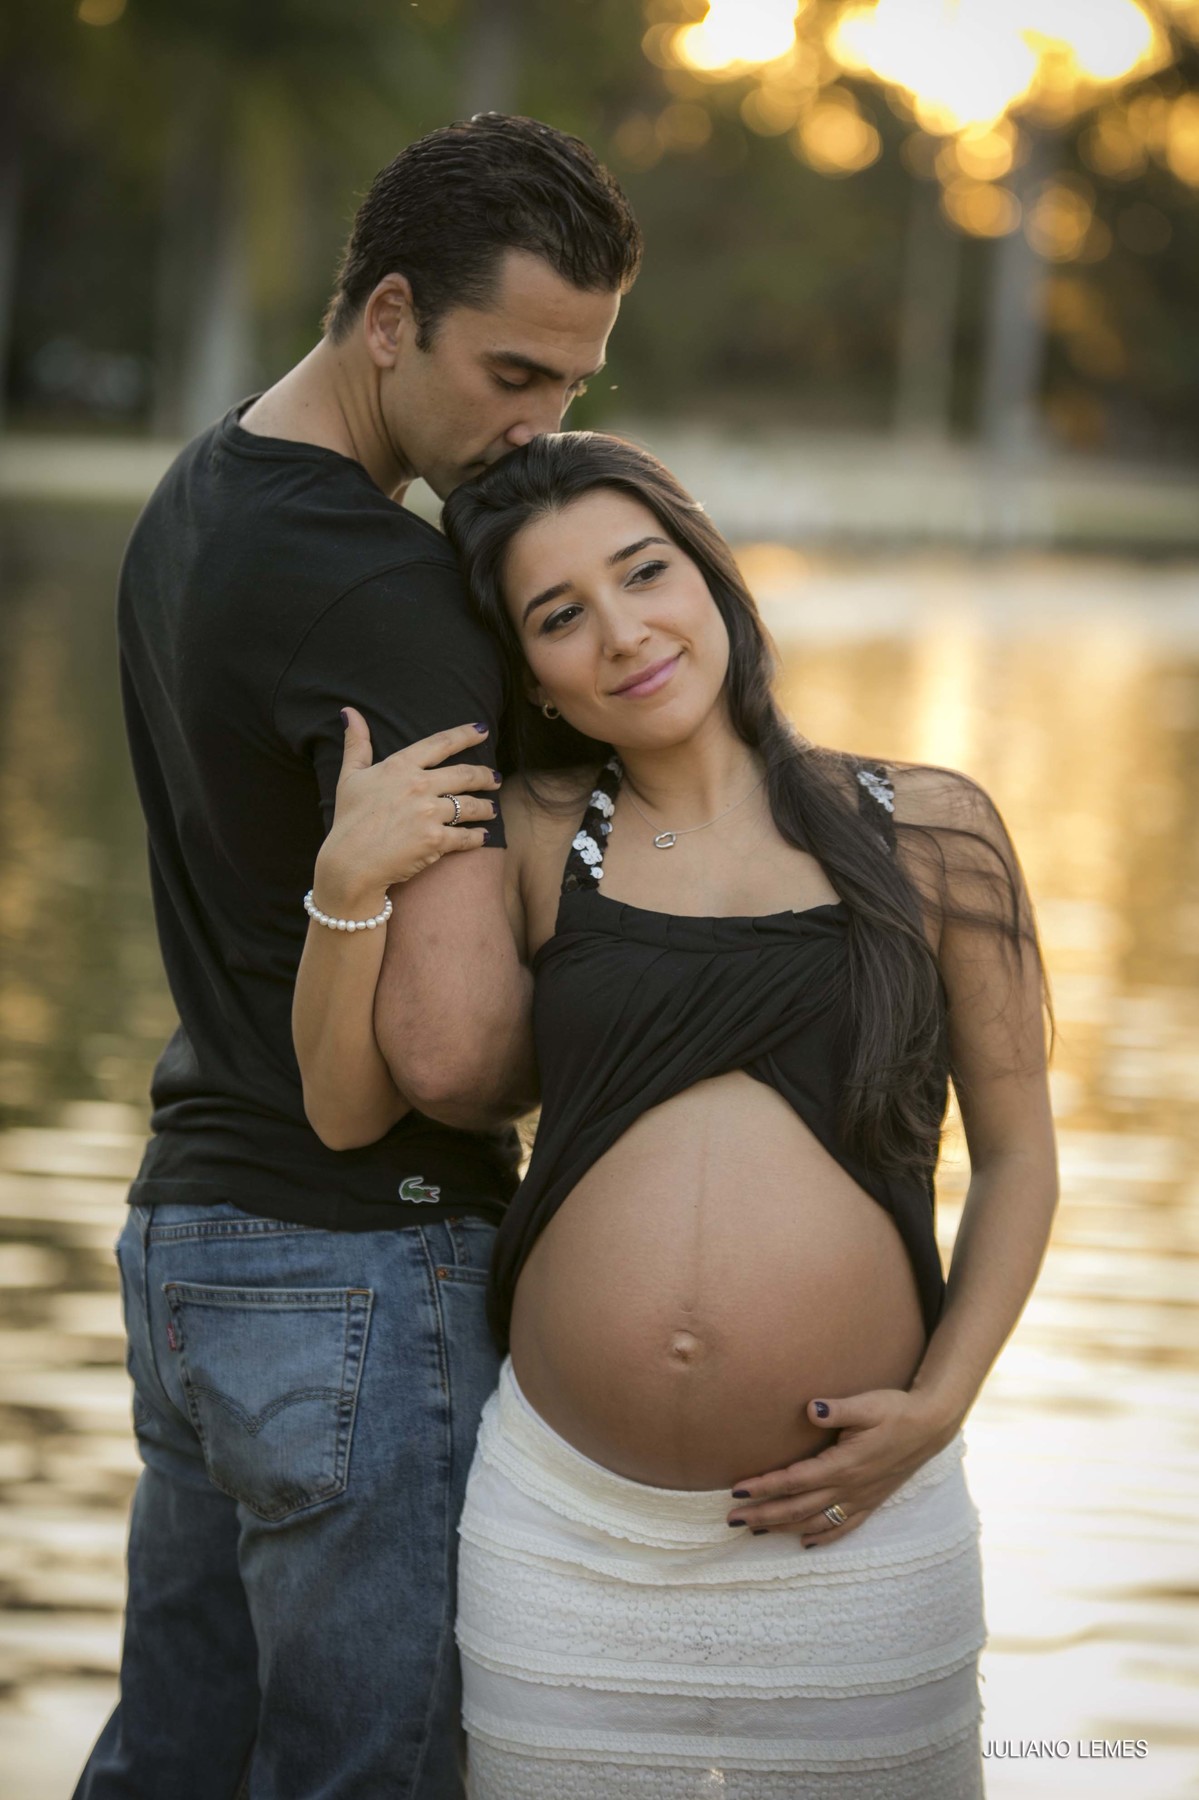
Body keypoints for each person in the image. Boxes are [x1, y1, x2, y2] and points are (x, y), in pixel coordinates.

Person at [297, 430, 1060, 1797]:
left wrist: (944, 1405)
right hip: (566, 1537)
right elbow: (349, 1114)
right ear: (531, 672)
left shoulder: (930, 829)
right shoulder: (530, 833)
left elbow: (1015, 1161)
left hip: (856, 1535)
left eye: (645, 572)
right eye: (559, 616)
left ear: (709, 572)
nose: (623, 632)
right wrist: (347, 885)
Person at [76, 122, 641, 1800]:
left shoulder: (198, 493)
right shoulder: (392, 589)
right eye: (514, 371)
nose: (541, 427)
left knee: (166, 1769)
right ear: (389, 315)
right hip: (357, 1274)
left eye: (578, 384)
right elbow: (452, 1048)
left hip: (191, 1256)